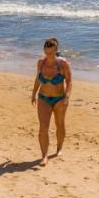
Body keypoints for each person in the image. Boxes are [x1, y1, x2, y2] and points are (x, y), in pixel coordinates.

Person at [30, 37, 72, 165]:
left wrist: (66, 97)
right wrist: (33, 93)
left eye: (52, 52)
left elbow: (69, 81)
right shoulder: (41, 63)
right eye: (47, 52)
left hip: (60, 99)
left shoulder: (63, 64)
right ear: (44, 50)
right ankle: (44, 156)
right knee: (43, 127)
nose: (49, 55)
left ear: (56, 51)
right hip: (44, 98)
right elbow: (38, 79)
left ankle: (59, 148)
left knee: (60, 124)